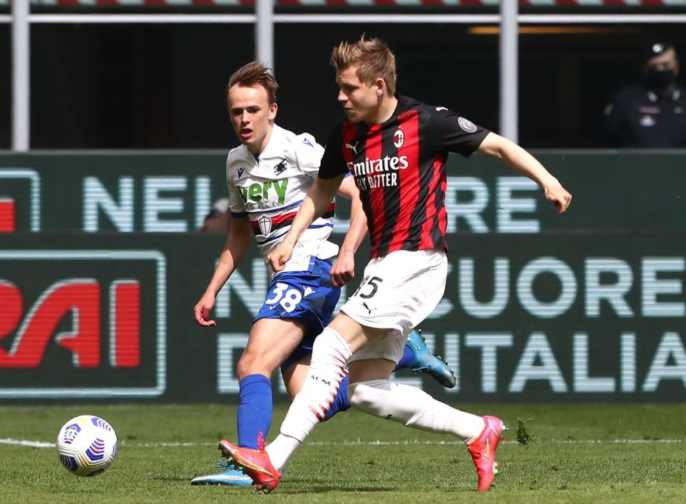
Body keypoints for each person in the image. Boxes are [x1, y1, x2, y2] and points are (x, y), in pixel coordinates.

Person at [219, 37, 573, 493]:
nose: (340, 97)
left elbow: (500, 146)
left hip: (418, 260)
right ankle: (477, 430)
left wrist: (548, 180)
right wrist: (290, 238)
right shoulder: (346, 135)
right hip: (385, 264)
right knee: (364, 389)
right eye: (339, 87)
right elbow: (322, 191)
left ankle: (272, 459)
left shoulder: (427, 121)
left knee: (330, 347)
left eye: (350, 88)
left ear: (379, 86)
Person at [191, 61, 457, 487]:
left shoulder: (298, 148)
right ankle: (408, 353)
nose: (244, 119)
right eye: (236, 111)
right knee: (312, 393)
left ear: (272, 111)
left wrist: (347, 249)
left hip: (310, 268)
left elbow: (361, 194)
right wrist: (211, 291)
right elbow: (239, 234)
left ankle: (249, 462)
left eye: (253, 110)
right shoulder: (235, 163)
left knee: (253, 362)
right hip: (287, 275)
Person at [603, 40, 686, 148]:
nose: (660, 70)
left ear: (676, 66)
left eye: (665, 65)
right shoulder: (626, 101)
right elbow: (607, 138)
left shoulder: (683, 100)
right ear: (645, 68)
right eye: (654, 67)